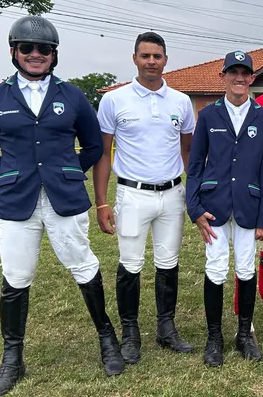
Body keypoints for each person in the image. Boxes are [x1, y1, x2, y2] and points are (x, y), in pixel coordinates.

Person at [0, 15, 125, 396]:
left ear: (54, 55)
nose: (36, 54)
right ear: (14, 52)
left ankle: (108, 340)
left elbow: (93, 147)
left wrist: (67, 173)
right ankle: (12, 359)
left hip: (65, 199)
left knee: (84, 265)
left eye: (44, 49)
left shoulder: (72, 96)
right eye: (28, 48)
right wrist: (13, 175)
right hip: (17, 202)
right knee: (16, 276)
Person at [93, 32, 196, 364]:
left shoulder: (181, 101)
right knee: (131, 265)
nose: (151, 61)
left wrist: (192, 193)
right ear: (134, 58)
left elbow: (189, 152)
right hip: (132, 195)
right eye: (145, 56)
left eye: (157, 56)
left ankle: (166, 329)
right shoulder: (114, 100)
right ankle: (131, 333)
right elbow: (103, 153)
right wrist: (102, 202)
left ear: (166, 59)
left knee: (168, 263)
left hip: (171, 194)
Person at [186, 50, 263, 367]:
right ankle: (214, 338)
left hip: (249, 207)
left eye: (245, 73)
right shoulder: (209, 116)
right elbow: (195, 165)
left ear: (252, 78)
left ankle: (243, 336)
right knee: (215, 268)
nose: (239, 78)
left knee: (245, 269)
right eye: (233, 72)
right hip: (214, 207)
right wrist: (194, 208)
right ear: (222, 76)